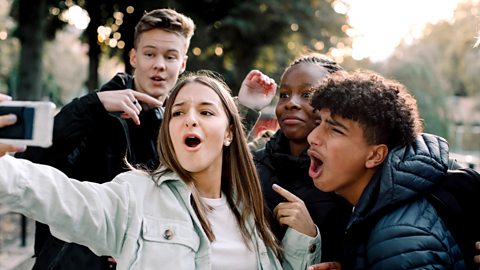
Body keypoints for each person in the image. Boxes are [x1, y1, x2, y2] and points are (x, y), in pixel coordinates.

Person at [16, 9, 276, 270]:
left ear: (182, 64)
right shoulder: (93, 113)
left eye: (170, 56)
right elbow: (31, 161)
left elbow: (213, 164)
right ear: (133, 57)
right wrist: (93, 104)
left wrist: (245, 108)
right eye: (150, 54)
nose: (159, 65)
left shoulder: (177, 122)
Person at [0, 71, 320, 270]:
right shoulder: (134, 197)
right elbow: (41, 190)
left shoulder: (251, 212)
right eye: (178, 112)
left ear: (229, 133)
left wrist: (304, 243)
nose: (189, 119)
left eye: (206, 111)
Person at [306, 70, 465, 269]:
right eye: (318, 122)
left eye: (335, 129)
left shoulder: (398, 236)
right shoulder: (389, 214)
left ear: (374, 156)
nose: (312, 137)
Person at [254, 53, 352, 263]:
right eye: (284, 95)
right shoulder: (253, 165)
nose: (291, 103)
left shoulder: (346, 179)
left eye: (307, 94)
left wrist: (309, 234)